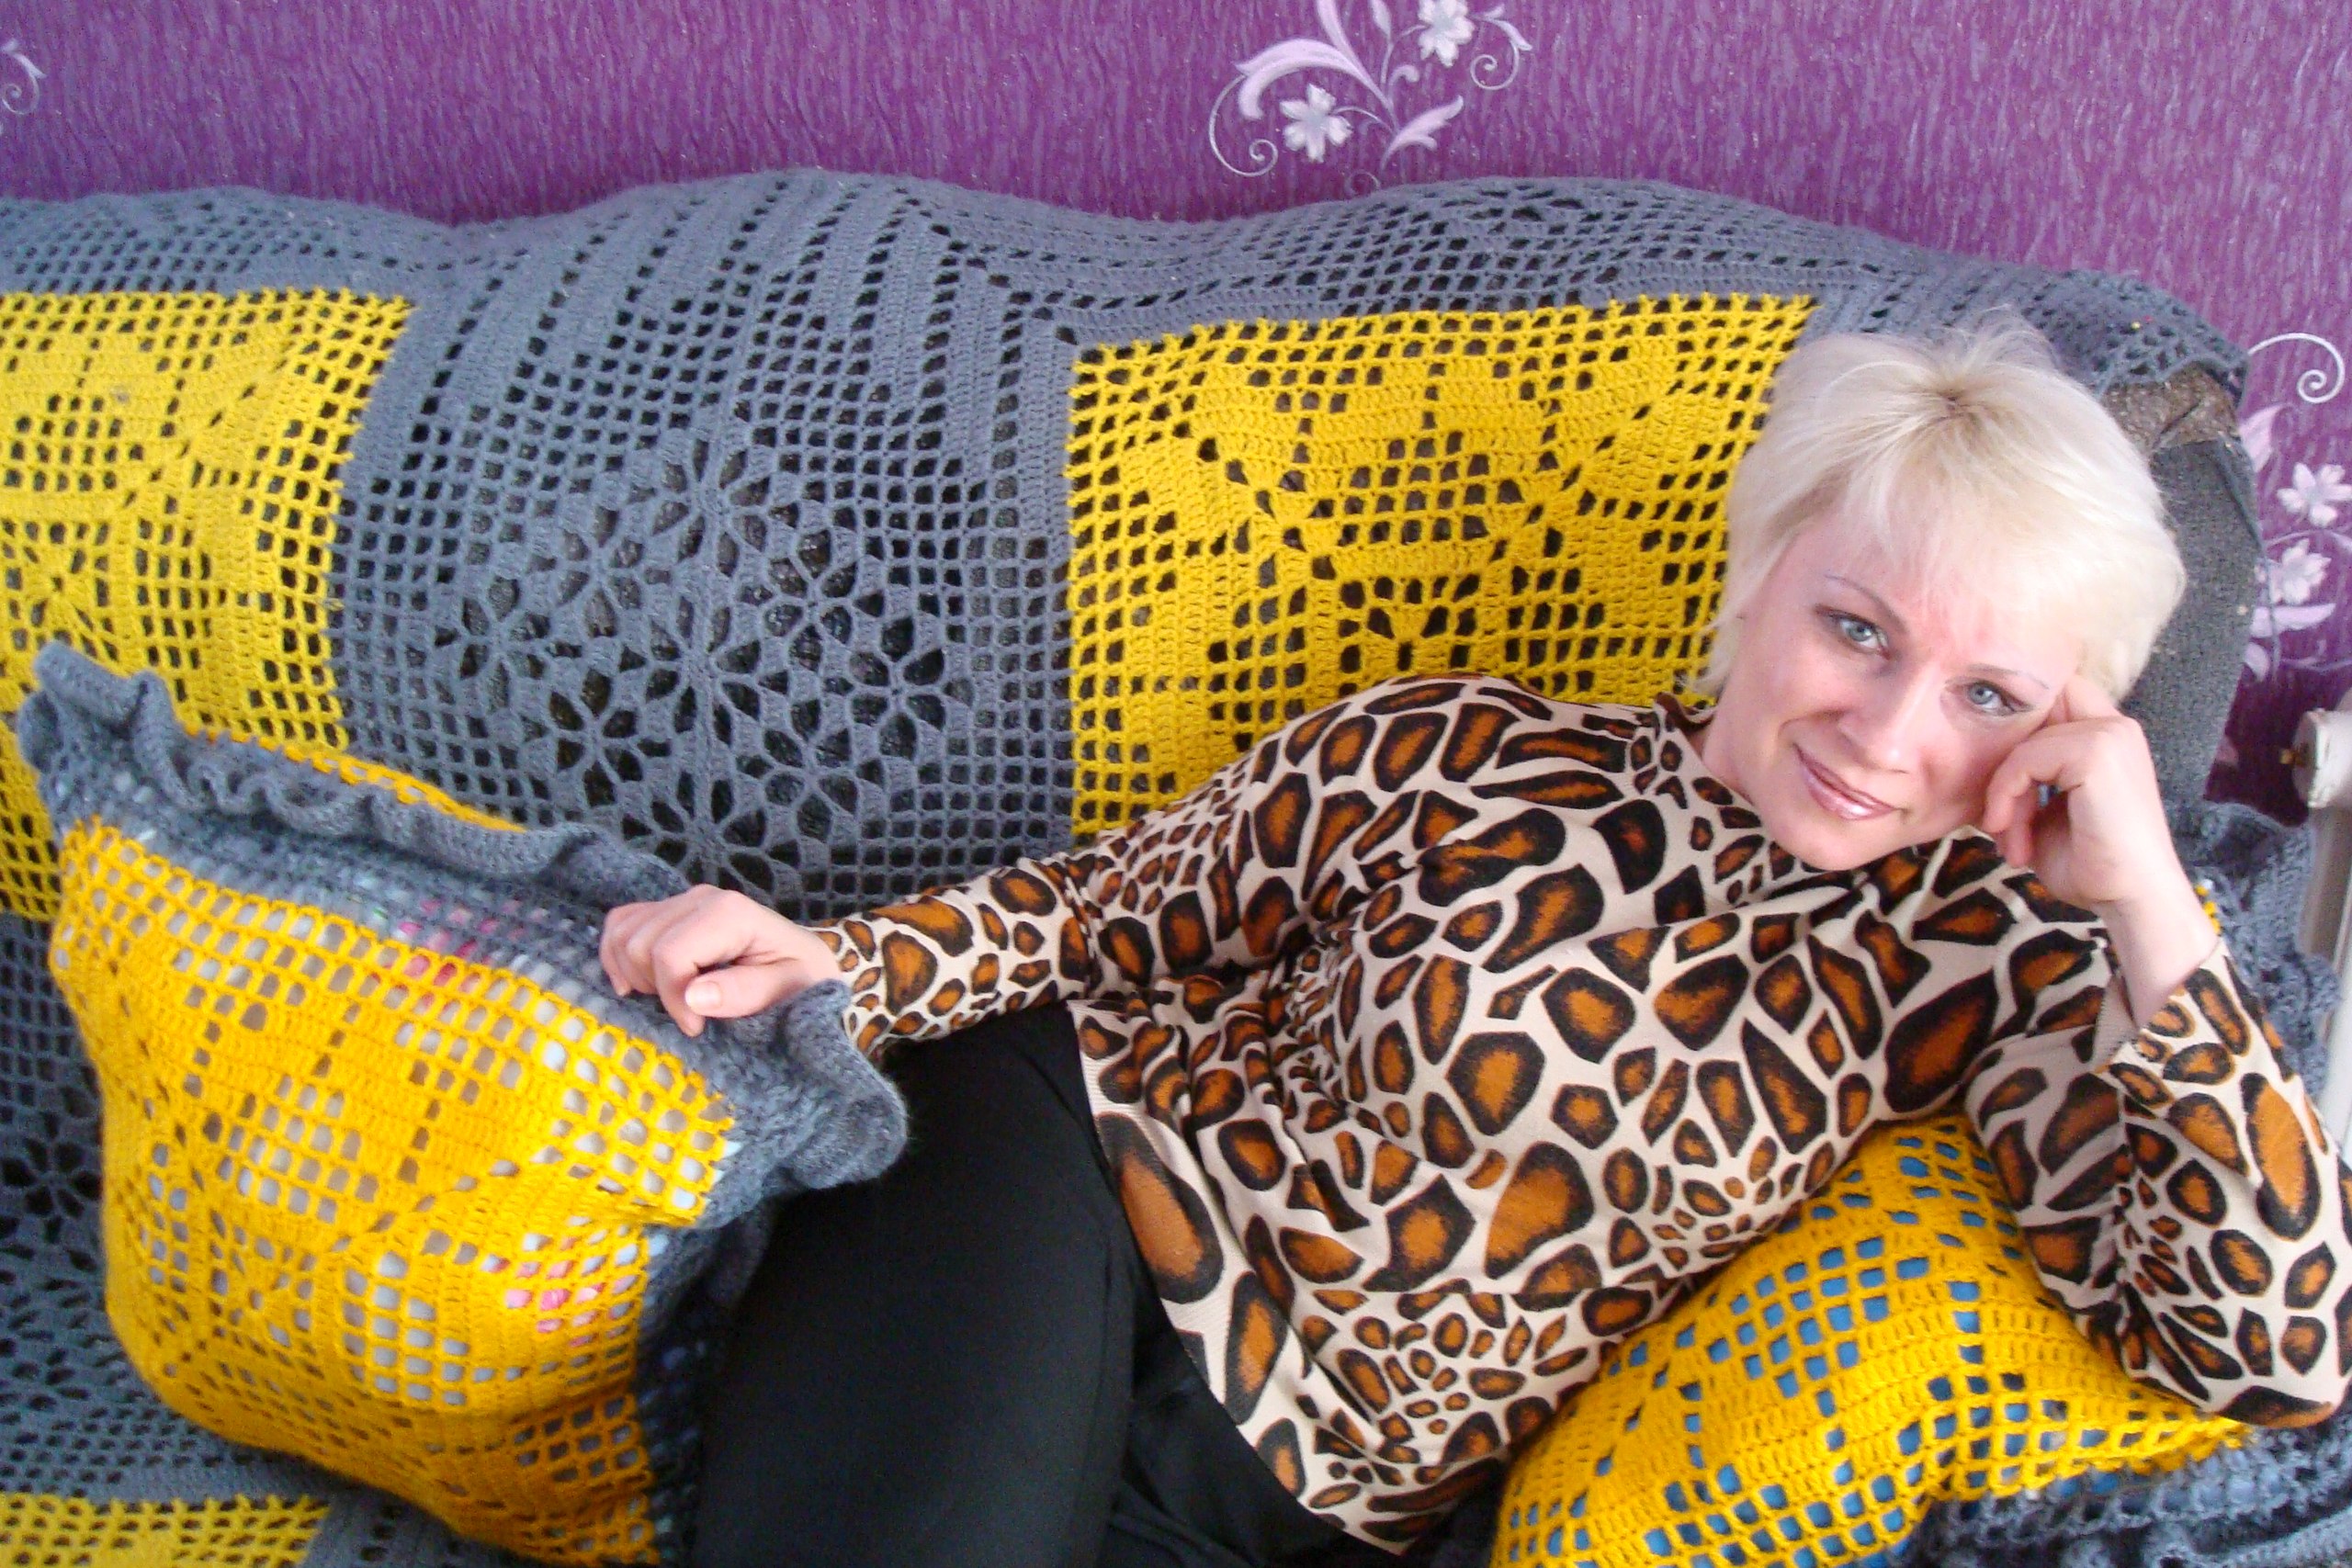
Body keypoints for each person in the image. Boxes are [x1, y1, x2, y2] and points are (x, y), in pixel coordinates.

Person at [602, 317, 2352, 1568]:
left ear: (2069, 734)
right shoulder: (1476, 744)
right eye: (1857, 629)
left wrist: (2149, 905)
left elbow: (2275, 1354)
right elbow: (1120, 905)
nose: (1888, 735)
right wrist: (846, 962)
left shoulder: (2013, 970)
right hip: (1068, 1176)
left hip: (1300, 1507)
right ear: (1762, 574)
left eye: (1986, 695)